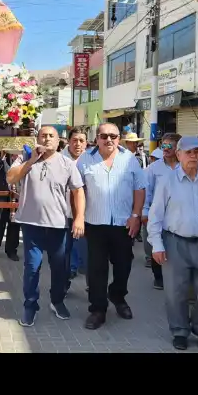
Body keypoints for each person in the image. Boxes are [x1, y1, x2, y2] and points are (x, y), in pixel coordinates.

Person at [147, 137, 198, 350]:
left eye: (197, 152)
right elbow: (155, 215)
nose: (193, 156)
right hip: (175, 241)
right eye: (189, 152)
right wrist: (156, 245)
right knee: (176, 291)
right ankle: (180, 331)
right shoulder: (167, 181)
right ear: (179, 154)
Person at [8, 125, 85, 326]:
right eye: (43, 136)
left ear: (59, 141)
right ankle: (30, 306)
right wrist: (31, 160)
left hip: (58, 226)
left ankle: (57, 301)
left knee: (60, 268)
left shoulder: (67, 164)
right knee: (32, 267)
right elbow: (11, 178)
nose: (47, 139)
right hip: (31, 224)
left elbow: (78, 191)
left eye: (52, 136)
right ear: (38, 139)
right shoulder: (26, 158)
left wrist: (79, 218)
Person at [76, 122, 145, 330]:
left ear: (119, 138)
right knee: (97, 269)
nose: (109, 140)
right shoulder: (85, 160)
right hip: (95, 223)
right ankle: (98, 309)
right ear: (96, 138)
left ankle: (117, 296)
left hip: (124, 224)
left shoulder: (130, 160)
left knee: (123, 265)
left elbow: (139, 189)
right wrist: (79, 216)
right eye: (104, 136)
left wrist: (136, 215)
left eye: (113, 136)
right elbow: (78, 191)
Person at [142, 133, 181, 290]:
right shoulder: (153, 168)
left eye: (169, 146)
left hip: (178, 212)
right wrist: (145, 211)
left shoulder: (184, 166)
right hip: (157, 212)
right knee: (156, 243)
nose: (165, 149)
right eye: (163, 145)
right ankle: (158, 276)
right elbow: (147, 191)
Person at [63, 128, 88, 286]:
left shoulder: (92, 160)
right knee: (63, 254)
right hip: (63, 215)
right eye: (74, 140)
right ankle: (62, 287)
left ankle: (91, 287)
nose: (78, 144)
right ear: (68, 141)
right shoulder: (59, 159)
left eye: (81, 140)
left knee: (87, 256)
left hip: (86, 216)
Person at [0, 150, 20, 260]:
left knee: (14, 223)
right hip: (0, 193)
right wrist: (1, 156)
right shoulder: (0, 153)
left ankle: (11, 250)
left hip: (17, 194)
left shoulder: (24, 155)